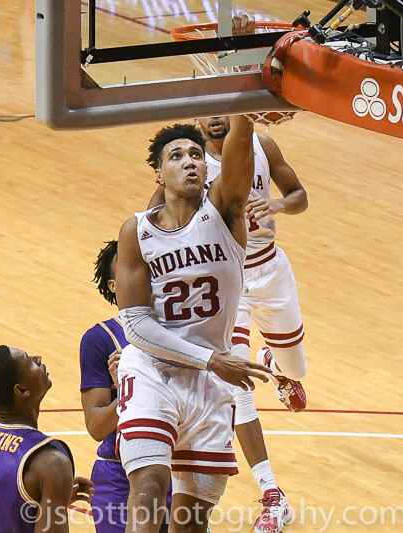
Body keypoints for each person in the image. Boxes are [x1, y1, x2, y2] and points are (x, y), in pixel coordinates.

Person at [148, 114, 308, 533]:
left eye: (227, 107)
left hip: (271, 269)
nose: (217, 116)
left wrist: (277, 203)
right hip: (226, 280)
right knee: (236, 387)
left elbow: (299, 195)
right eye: (210, 108)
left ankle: (276, 363)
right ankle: (273, 495)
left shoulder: (263, 147)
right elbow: (153, 224)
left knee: (296, 370)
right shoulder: (188, 168)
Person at [116, 116, 272, 533]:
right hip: (154, 370)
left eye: (197, 155)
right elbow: (134, 325)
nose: (190, 162)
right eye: (177, 155)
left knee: (190, 522)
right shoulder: (136, 231)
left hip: (211, 382)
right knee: (149, 487)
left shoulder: (225, 210)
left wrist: (246, 109)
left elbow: (240, 151)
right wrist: (211, 360)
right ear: (159, 173)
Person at [79, 240, 172, 533]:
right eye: (129, 268)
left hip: (175, 469)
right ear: (113, 285)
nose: (140, 274)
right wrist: (130, 392)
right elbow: (96, 426)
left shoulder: (177, 330)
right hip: (119, 475)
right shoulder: (100, 339)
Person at [0, 345, 94, 533]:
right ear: (22, 390)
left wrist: (45, 500)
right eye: (29, 361)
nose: (38, 358)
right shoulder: (50, 463)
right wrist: (53, 492)